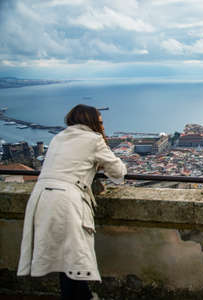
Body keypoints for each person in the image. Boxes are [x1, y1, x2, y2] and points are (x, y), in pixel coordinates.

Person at [17, 104, 127, 300]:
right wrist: (101, 159)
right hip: (66, 199)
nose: (102, 126)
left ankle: (84, 296)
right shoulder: (94, 140)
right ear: (91, 121)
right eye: (100, 122)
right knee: (74, 258)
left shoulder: (58, 138)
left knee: (64, 258)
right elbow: (118, 172)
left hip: (41, 198)